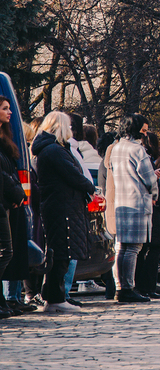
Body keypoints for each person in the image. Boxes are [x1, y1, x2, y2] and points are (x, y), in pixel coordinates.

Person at [31, 111, 95, 314]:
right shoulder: (53, 151)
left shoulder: (52, 149)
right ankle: (56, 298)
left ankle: (54, 296)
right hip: (62, 206)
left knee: (61, 252)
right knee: (61, 253)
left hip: (61, 205)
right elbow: (74, 175)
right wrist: (90, 187)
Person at [100, 114, 156, 303]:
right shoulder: (137, 150)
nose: (145, 133)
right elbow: (149, 178)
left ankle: (119, 286)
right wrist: (154, 193)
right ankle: (128, 287)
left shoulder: (116, 148)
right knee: (133, 249)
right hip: (137, 201)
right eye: (143, 130)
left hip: (121, 202)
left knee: (121, 247)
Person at [135, 145, 160, 299]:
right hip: (153, 209)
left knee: (144, 250)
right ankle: (146, 287)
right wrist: (153, 195)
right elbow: (150, 185)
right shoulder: (144, 160)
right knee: (153, 248)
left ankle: (143, 286)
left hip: (152, 208)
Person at [0, 97, 25, 319]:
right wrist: (16, 191)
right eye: (5, 108)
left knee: (7, 251)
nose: (10, 112)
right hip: (3, 198)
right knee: (4, 251)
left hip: (6, 199)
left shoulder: (5, 138)